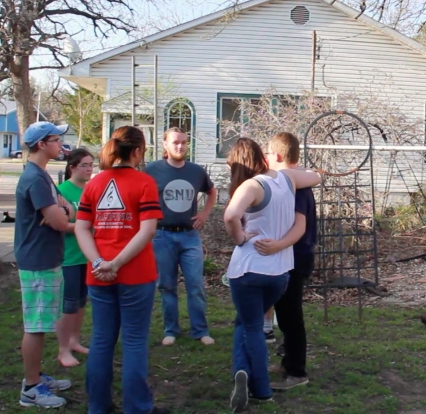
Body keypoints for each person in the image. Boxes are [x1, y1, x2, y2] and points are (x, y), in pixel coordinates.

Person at [74, 126, 168, 414]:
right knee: (134, 340)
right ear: (138, 151)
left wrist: (99, 263)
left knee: (101, 339)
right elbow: (147, 230)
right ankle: (137, 407)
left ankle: (98, 406)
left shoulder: (94, 183)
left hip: (99, 275)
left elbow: (81, 227)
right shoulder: (144, 183)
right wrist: (115, 264)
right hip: (136, 274)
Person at [223, 137, 321, 412]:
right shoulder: (285, 179)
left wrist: (240, 237)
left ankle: (261, 387)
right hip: (280, 272)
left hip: (251, 267)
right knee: (245, 321)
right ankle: (241, 370)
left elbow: (230, 215)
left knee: (251, 325)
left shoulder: (251, 186)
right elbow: (314, 176)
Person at [15, 121, 73, 408]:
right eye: (55, 139)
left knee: (41, 324)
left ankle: (35, 376)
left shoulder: (42, 175)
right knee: (35, 327)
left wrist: (61, 212)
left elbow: (66, 209)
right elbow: (62, 221)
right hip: (37, 260)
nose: (60, 143)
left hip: (46, 257)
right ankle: (31, 388)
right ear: (41, 144)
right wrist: (68, 219)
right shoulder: (35, 179)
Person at [255, 132, 317, 391]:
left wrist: (278, 246)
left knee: (291, 317)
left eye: (268, 153)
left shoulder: (296, 187)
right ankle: (287, 361)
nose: (266, 158)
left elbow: (299, 226)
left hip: (296, 257)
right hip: (290, 256)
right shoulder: (290, 182)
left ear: (277, 156)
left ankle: (297, 372)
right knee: (284, 312)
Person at [145, 127, 217, 346]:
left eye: (184, 142)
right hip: (162, 235)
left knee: (195, 284)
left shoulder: (196, 171)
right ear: (165, 145)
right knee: (167, 285)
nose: (180, 146)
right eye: (176, 142)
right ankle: (171, 330)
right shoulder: (152, 170)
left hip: (189, 236)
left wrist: (204, 213)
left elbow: (211, 191)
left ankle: (200, 330)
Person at [56, 148, 94, 368]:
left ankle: (74, 340)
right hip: (69, 256)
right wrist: (83, 227)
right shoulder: (62, 191)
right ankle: (63, 349)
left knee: (80, 302)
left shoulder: (91, 191)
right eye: (85, 165)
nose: (89, 169)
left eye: (91, 165)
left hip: (87, 256)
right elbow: (59, 225)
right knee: (68, 304)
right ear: (72, 167)